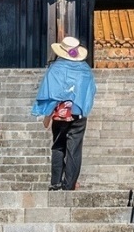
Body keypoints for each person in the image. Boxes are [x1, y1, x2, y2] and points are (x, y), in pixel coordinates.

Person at [32, 37, 97, 191]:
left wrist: (46, 115)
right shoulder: (86, 70)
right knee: (74, 148)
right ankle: (69, 184)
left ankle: (55, 182)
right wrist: (83, 108)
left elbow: (50, 92)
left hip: (61, 112)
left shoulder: (55, 69)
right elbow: (91, 91)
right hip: (78, 112)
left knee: (58, 146)